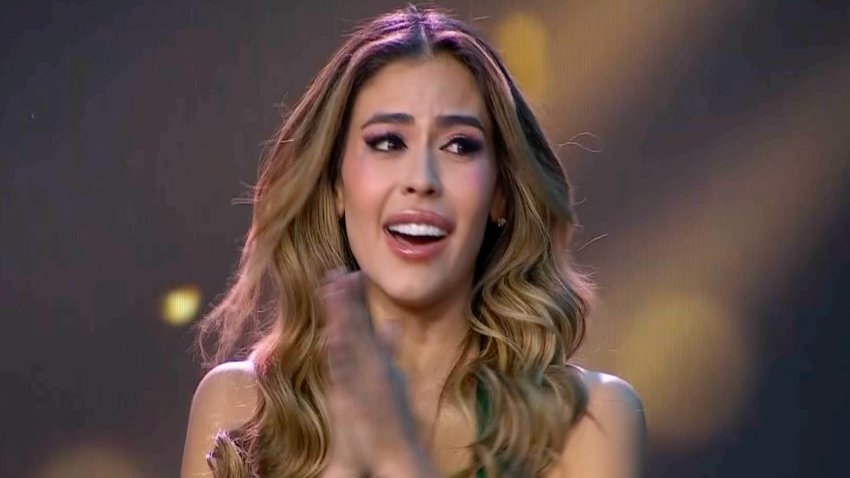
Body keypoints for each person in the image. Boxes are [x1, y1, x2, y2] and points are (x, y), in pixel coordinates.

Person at [181, 5, 645, 478]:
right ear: (337, 183)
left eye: (459, 145)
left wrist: (395, 453)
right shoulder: (239, 407)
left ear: (500, 193)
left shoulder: (589, 420)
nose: (422, 179)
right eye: (388, 142)